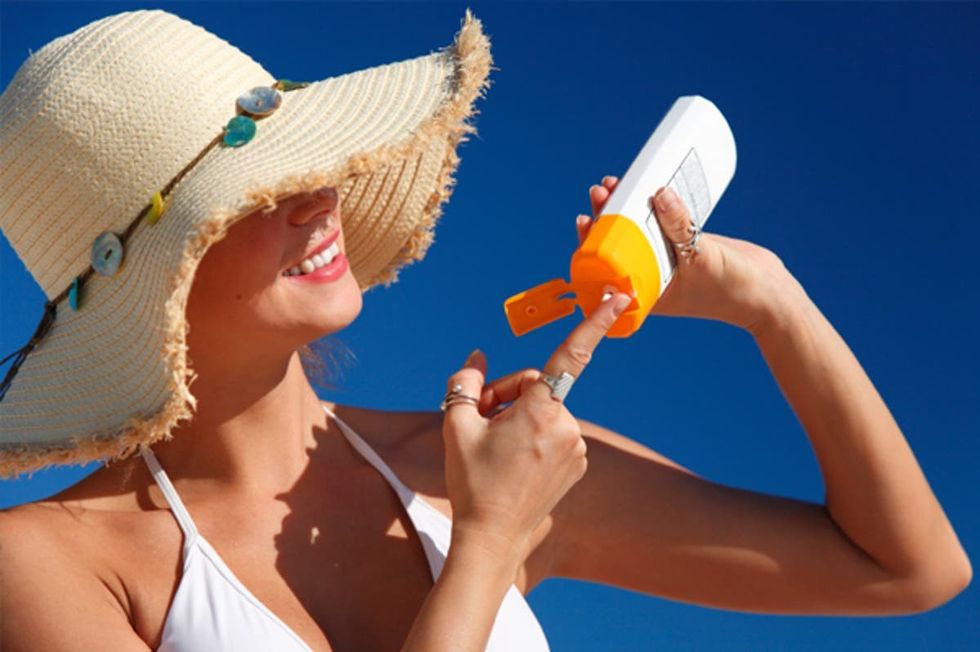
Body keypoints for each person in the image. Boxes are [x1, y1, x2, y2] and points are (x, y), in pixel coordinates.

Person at [0, 8, 971, 652]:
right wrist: (485, 543)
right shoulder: (51, 563)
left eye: (310, 160)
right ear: (146, 285)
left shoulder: (467, 463)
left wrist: (770, 301)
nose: (315, 199)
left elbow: (904, 570)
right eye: (248, 195)